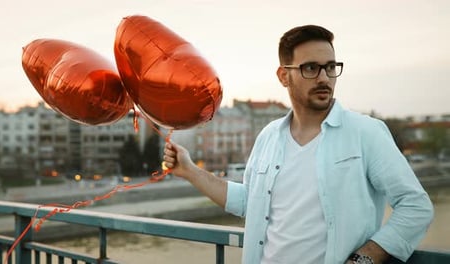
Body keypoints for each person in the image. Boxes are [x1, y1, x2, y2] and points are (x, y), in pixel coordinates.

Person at [162, 25, 434, 264]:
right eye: (311, 68)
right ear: (283, 76)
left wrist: (365, 258)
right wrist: (188, 170)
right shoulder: (269, 136)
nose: (325, 78)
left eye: (330, 67)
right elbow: (250, 202)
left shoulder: (366, 132)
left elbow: (416, 205)